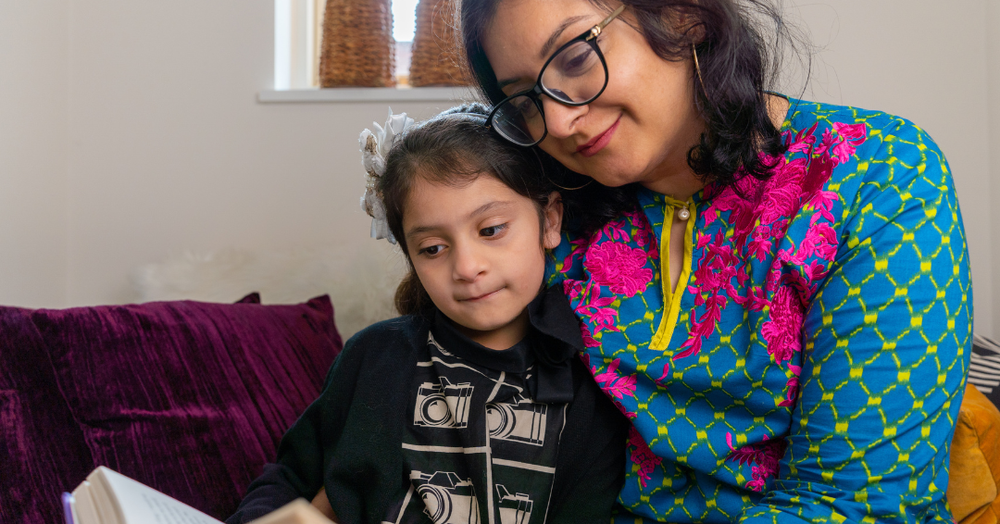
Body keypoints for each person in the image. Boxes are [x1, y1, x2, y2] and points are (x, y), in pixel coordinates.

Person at [457, 0, 973, 522]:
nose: (559, 121)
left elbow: (856, 506)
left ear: (684, 16)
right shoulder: (545, 211)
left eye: (574, 59)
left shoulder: (875, 175)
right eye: (524, 100)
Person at [225, 105, 630, 524]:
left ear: (549, 220)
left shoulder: (594, 383)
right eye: (433, 248)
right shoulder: (376, 355)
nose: (467, 267)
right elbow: (290, 477)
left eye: (490, 230)